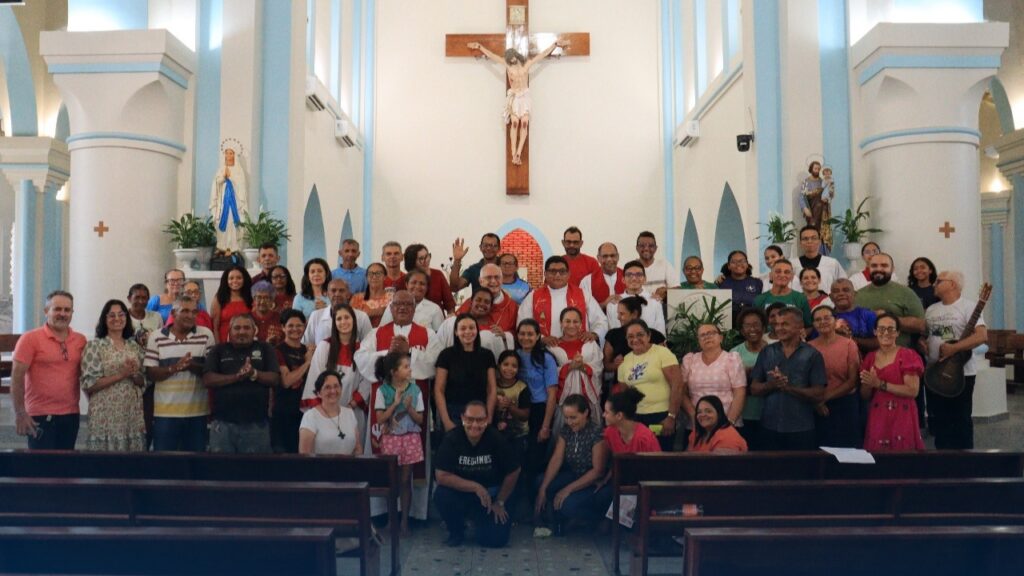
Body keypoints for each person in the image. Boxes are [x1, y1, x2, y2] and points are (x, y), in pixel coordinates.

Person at [355, 290, 441, 521]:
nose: (402, 308)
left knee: (413, 464)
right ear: (390, 308)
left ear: (414, 308)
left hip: (414, 409)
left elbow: (433, 363)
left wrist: (409, 352)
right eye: (398, 304)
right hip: (385, 408)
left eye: (407, 304)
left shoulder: (428, 333)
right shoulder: (376, 333)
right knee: (383, 460)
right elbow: (361, 359)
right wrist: (390, 354)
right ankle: (381, 512)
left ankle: (414, 514)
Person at [467, 38, 569, 165]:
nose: (512, 61)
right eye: (510, 60)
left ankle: (519, 153)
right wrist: (480, 47)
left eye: (513, 59)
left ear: (516, 56)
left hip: (524, 97)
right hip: (515, 97)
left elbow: (542, 54)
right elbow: (493, 56)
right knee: (515, 123)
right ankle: (513, 152)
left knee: (524, 123)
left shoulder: (527, 64)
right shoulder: (508, 66)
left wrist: (555, 45)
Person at [434, 402, 521, 548]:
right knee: (441, 495)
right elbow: (441, 476)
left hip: (491, 497)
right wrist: (475, 487)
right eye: (470, 419)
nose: (474, 425)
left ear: (486, 420)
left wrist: (500, 501)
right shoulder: (452, 438)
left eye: (480, 420)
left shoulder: (496, 438)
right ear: (462, 418)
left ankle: (481, 524)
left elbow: (514, 470)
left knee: (495, 540)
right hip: (463, 493)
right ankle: (456, 531)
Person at [11, 290, 87, 449]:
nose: (62, 314)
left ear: (72, 313)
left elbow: (85, 376)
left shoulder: (80, 340)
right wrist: (20, 413)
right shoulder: (30, 339)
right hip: (40, 415)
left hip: (70, 414)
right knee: (41, 463)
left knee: (66, 462)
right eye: (57, 309)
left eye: (67, 310)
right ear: (46, 311)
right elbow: (17, 378)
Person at [924, 270, 988, 449]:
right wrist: (923, 342)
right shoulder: (931, 309)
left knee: (960, 418)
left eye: (939, 281)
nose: (934, 284)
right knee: (940, 419)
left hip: (961, 372)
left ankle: (965, 459)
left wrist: (954, 348)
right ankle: (942, 457)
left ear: (952, 284)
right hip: (936, 371)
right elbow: (935, 333)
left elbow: (981, 336)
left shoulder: (969, 307)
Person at [144, 296, 214, 451]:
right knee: (165, 461)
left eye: (194, 312)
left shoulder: (206, 335)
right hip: (165, 414)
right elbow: (151, 373)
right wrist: (174, 367)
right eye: (185, 311)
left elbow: (211, 373)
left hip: (197, 413)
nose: (191, 315)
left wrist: (192, 365)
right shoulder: (156, 336)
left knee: (196, 462)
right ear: (173, 313)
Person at [202, 314, 281, 453]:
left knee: (257, 467)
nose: (242, 331)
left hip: (257, 425)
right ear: (229, 330)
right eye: (237, 328)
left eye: (246, 328)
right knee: (220, 466)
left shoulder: (265, 348)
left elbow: (275, 379)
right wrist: (236, 377)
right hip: (222, 424)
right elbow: (208, 379)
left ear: (254, 330)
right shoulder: (218, 350)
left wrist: (254, 373)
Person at [750, 308, 827, 450]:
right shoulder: (767, 352)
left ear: (799, 326)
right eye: (777, 324)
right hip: (769, 427)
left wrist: (788, 388)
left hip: (801, 429)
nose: (779, 328)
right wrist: (772, 384)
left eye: (785, 324)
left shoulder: (812, 355)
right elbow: (754, 388)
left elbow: (818, 394)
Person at [534, 394, 612, 534]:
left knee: (567, 505)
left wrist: (567, 490)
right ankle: (553, 517)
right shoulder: (566, 430)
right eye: (567, 418)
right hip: (575, 474)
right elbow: (557, 459)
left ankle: (598, 519)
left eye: (573, 417)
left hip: (593, 482)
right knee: (541, 481)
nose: (569, 422)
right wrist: (542, 490)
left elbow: (597, 471)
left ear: (585, 413)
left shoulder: (597, 433)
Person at [80, 299, 146, 451]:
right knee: (105, 461)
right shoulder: (95, 346)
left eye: (121, 314)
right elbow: (89, 384)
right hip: (105, 413)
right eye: (112, 315)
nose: (117, 318)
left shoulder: (134, 346)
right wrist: (121, 375)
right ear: (104, 319)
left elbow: (143, 380)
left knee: (131, 460)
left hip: (131, 412)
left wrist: (134, 375)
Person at [374, 352, 426, 535]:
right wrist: (395, 404)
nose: (410, 369)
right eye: (405, 366)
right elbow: (380, 419)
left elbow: (420, 419)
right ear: (393, 371)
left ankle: (404, 521)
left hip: (410, 438)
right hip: (391, 439)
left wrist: (409, 408)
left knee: (405, 480)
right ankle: (391, 520)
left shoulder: (415, 390)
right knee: (392, 480)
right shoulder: (382, 391)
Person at [303, 304, 370, 444]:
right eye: (339, 319)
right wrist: (323, 408)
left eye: (347, 317)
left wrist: (353, 404)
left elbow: (367, 380)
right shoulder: (324, 347)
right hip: (325, 411)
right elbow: (315, 377)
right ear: (334, 323)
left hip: (352, 411)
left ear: (354, 320)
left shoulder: (362, 350)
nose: (343, 322)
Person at [617, 319, 685, 451]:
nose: (635, 339)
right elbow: (624, 396)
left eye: (640, 335)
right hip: (636, 419)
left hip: (661, 416)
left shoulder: (662, 353)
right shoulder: (624, 362)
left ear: (648, 336)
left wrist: (671, 416)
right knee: (639, 457)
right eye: (630, 336)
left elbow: (677, 386)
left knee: (661, 456)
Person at [860, 314, 925, 451]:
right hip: (878, 416)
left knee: (903, 459)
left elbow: (912, 391)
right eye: (881, 329)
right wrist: (868, 384)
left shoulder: (907, 355)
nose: (886, 333)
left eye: (891, 329)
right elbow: (865, 395)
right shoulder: (870, 358)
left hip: (902, 416)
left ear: (898, 333)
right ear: (875, 332)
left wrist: (879, 384)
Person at [518, 256, 608, 347]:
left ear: (568, 274)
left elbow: (601, 320)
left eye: (562, 271)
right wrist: (541, 338)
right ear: (545, 274)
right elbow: (523, 322)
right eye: (553, 271)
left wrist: (594, 334)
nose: (557, 275)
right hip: (544, 350)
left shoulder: (583, 294)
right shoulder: (534, 296)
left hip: (579, 350)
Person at [516, 319, 560, 490]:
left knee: (535, 459)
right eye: (522, 334)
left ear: (537, 336)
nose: (526, 337)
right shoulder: (515, 356)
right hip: (519, 410)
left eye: (530, 334)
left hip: (540, 410)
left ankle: (536, 498)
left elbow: (552, 393)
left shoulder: (546, 358)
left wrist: (545, 426)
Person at [809, 306, 861, 448]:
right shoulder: (808, 347)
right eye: (818, 320)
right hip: (817, 406)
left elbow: (852, 381)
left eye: (827, 318)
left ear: (835, 320)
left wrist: (825, 398)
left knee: (847, 449)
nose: (823, 322)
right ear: (813, 324)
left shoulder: (849, 344)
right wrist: (817, 402)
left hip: (844, 404)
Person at [435, 314, 498, 432]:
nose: (468, 332)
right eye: (463, 328)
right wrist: (446, 421)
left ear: (477, 330)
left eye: (471, 328)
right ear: (456, 332)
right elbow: (439, 390)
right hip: (453, 413)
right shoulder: (446, 355)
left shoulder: (487, 355)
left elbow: (491, 389)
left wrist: (488, 418)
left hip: (481, 412)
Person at [681, 324, 746, 432]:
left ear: (721, 337)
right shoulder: (690, 360)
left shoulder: (731, 359)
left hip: (727, 422)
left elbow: (739, 392)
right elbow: (681, 392)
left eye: (711, 333)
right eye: (702, 335)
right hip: (697, 423)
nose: (707, 337)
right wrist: (693, 416)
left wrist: (729, 423)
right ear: (698, 341)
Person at [854, 253, 926, 348]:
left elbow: (921, 325)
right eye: (874, 266)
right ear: (868, 268)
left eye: (884, 266)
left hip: (900, 354)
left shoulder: (906, 292)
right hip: (865, 354)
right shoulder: (857, 295)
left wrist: (888, 318)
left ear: (892, 269)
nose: (879, 269)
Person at [550, 308, 604, 432]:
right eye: (567, 321)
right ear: (561, 323)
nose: (571, 325)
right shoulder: (553, 346)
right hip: (564, 399)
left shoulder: (590, 343)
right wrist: (569, 367)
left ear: (581, 323)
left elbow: (599, 367)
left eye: (575, 321)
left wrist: (583, 367)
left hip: (588, 398)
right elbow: (550, 373)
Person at [274, 309, 315, 453]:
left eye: (299, 325)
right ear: (283, 327)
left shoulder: (308, 350)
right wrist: (307, 362)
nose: (295, 329)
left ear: (304, 327)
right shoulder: (278, 350)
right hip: (284, 412)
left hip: (306, 412)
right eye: (290, 326)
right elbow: (286, 381)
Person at [436, 288, 514, 359]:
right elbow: (438, 348)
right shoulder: (452, 323)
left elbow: (503, 358)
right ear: (471, 302)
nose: (482, 304)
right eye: (478, 300)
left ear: (491, 307)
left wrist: (504, 338)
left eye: (487, 302)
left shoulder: (493, 330)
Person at [299, 370, 362, 456]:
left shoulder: (349, 413)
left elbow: (357, 448)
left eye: (336, 386)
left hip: (349, 464)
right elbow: (304, 455)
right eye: (327, 387)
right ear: (318, 393)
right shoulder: (310, 417)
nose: (333, 391)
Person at [732, 309, 768, 450]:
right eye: (747, 325)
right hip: (742, 415)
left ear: (763, 327)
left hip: (769, 416)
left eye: (756, 324)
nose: (752, 329)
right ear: (742, 330)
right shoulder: (734, 353)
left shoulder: (774, 350)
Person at [302, 278, 373, 346]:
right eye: (333, 290)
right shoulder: (316, 316)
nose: (337, 294)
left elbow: (370, 345)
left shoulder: (362, 317)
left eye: (341, 291)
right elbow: (306, 344)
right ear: (327, 294)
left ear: (348, 294)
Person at [453, 263, 519, 334]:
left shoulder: (512, 307)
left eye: (497, 277)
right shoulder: (470, 302)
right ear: (480, 281)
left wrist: (505, 335)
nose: (493, 281)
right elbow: (455, 327)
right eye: (488, 277)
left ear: (502, 280)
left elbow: (518, 333)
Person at [605, 261, 667, 335]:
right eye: (629, 275)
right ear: (623, 279)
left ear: (645, 279)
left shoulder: (655, 302)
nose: (634, 278)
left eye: (639, 275)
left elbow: (660, 333)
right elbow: (613, 334)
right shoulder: (613, 304)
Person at [209, 142, 248, 252]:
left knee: (233, 221)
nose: (228, 155)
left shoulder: (239, 170)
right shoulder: (221, 169)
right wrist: (223, 177)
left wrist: (231, 178)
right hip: (223, 201)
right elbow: (216, 183)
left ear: (234, 155)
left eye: (231, 153)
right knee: (223, 221)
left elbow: (241, 185)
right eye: (227, 153)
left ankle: (234, 247)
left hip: (235, 202)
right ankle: (222, 246)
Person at [396, 243, 455, 314]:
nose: (426, 260)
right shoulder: (402, 281)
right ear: (412, 262)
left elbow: (450, 305)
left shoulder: (438, 275)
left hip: (437, 318)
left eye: (427, 256)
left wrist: (450, 318)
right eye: (421, 259)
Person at [380, 269, 445, 331]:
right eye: (413, 282)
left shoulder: (434, 309)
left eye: (422, 283)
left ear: (427, 287)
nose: (417, 286)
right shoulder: (394, 304)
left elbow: (439, 335)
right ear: (406, 285)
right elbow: (382, 330)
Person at [753, 259, 812, 327]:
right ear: (771, 275)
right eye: (778, 271)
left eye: (786, 272)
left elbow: (808, 326)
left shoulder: (801, 298)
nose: (782, 275)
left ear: (792, 276)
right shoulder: (759, 299)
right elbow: (755, 325)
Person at [602, 387, 662, 453]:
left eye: (606, 412)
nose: (603, 415)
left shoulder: (646, 438)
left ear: (619, 415)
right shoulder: (609, 433)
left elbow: (657, 459)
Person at [830, 278, 878, 356]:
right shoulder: (825, 318)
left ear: (855, 294)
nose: (841, 294)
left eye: (846, 290)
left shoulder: (868, 315)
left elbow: (878, 342)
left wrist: (849, 339)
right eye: (836, 291)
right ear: (831, 296)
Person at [790, 226, 845, 292]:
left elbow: (844, 284)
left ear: (819, 241)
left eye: (813, 238)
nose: (809, 241)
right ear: (800, 243)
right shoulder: (792, 264)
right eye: (805, 239)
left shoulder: (832, 263)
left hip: (827, 298)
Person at [494, 350, 531, 448]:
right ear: (499, 365)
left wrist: (510, 406)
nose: (509, 369)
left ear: (518, 369)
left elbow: (525, 415)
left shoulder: (522, 387)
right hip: (495, 434)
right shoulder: (492, 386)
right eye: (505, 364)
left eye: (514, 366)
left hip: (518, 436)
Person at [209, 266, 253, 344]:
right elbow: (215, 328)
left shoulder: (251, 296)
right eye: (231, 278)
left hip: (247, 340)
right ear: (226, 280)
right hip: (224, 341)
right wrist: (218, 346)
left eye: (239, 278)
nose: (235, 281)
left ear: (244, 279)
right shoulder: (219, 298)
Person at [716, 250, 762, 321]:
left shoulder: (757, 283)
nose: (738, 264)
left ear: (747, 264)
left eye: (742, 261)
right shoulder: (721, 283)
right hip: (729, 323)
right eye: (734, 262)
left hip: (752, 323)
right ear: (729, 266)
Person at [635, 231, 678, 301]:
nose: (646, 249)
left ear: (656, 248)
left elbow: (677, 290)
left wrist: (666, 291)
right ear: (637, 248)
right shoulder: (631, 268)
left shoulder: (665, 265)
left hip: (661, 306)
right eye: (642, 245)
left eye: (650, 246)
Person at [798, 161, 831, 252]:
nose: (817, 171)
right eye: (815, 168)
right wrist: (805, 208)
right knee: (813, 229)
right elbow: (801, 197)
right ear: (811, 169)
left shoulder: (822, 181)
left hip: (823, 211)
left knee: (822, 231)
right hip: (812, 210)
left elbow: (828, 193)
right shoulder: (806, 182)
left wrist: (827, 198)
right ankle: (813, 250)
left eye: (819, 169)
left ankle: (823, 252)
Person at [580, 242, 624, 309]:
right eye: (605, 256)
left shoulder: (628, 277)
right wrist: (604, 304)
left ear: (618, 257)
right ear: (598, 258)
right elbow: (584, 308)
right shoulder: (587, 281)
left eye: (612, 256)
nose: (609, 259)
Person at [352, 262, 393, 328]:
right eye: (370, 274)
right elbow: (351, 319)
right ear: (366, 277)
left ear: (385, 277)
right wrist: (378, 311)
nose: (374, 277)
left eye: (378, 273)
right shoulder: (357, 298)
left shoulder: (392, 297)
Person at [250, 281, 281, 345]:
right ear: (254, 299)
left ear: (272, 300)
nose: (262, 302)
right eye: (259, 297)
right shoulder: (247, 318)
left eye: (266, 298)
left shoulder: (280, 318)